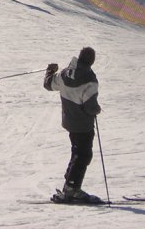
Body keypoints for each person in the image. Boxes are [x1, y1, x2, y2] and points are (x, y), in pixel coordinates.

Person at [44, 47, 102, 204]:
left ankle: (70, 184)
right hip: (83, 124)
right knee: (84, 155)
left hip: (70, 122)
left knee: (78, 153)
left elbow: (49, 84)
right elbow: (90, 106)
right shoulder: (90, 79)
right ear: (92, 61)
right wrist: (97, 109)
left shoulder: (64, 74)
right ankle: (72, 188)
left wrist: (50, 71)